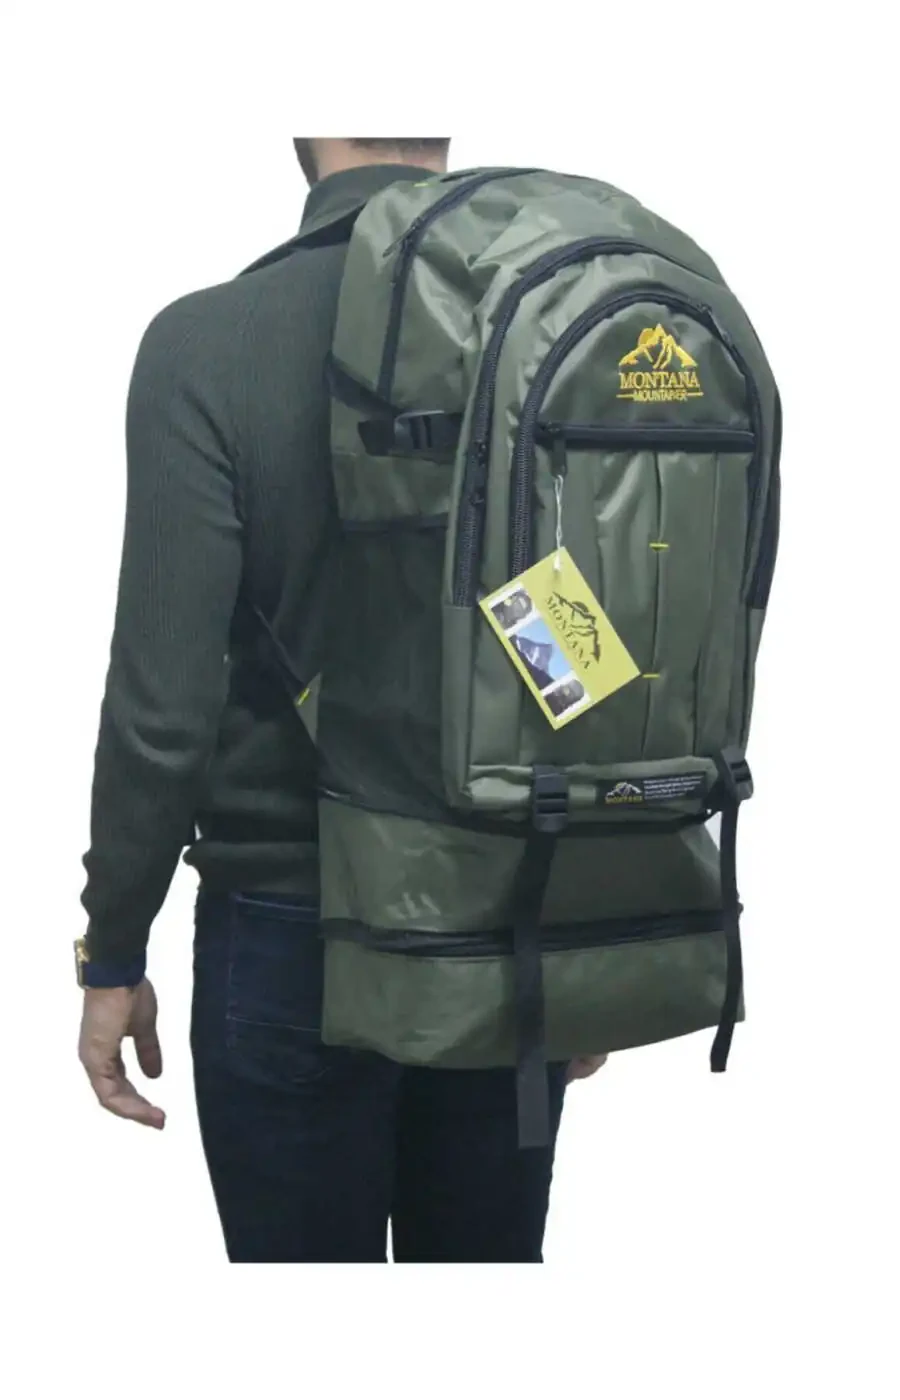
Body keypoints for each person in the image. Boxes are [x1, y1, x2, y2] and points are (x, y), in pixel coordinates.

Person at [76, 137, 607, 1264]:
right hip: (504, 922)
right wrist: (579, 933)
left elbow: (162, 712)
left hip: (290, 935)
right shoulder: (539, 323)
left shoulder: (206, 346)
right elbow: (574, 647)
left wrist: (112, 951)